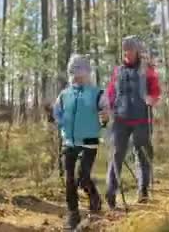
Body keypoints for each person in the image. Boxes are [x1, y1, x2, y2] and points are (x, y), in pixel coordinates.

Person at [53, 54, 109, 229]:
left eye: (79, 71)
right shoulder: (64, 94)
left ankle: (94, 197)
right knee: (70, 179)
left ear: (87, 72)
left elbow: (106, 111)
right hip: (69, 142)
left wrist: (105, 117)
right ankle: (73, 213)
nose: (76, 76)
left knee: (83, 177)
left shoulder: (97, 93)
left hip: (89, 141)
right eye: (73, 72)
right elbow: (57, 113)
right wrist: (60, 121)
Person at [105, 36, 161, 209]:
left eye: (130, 49)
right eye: (125, 49)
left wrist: (152, 98)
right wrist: (108, 106)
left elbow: (155, 88)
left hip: (141, 118)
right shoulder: (118, 70)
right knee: (116, 154)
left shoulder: (147, 69)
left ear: (137, 50)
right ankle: (111, 191)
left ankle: (143, 190)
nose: (127, 52)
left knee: (142, 154)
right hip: (120, 118)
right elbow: (111, 91)